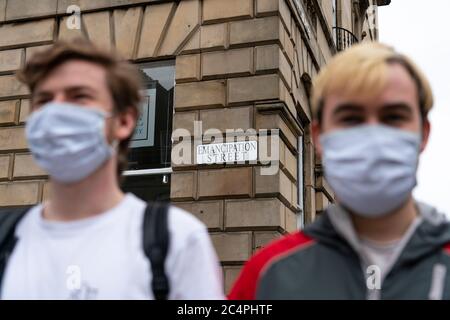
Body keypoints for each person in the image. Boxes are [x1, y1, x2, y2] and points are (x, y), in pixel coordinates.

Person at [0, 38, 224, 300]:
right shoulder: (7, 237)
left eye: (79, 96)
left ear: (124, 121)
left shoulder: (178, 239)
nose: (57, 110)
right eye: (44, 100)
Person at [229, 42, 450, 300]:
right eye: (351, 118)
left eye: (393, 117)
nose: (373, 136)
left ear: (423, 133)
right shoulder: (267, 276)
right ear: (319, 137)